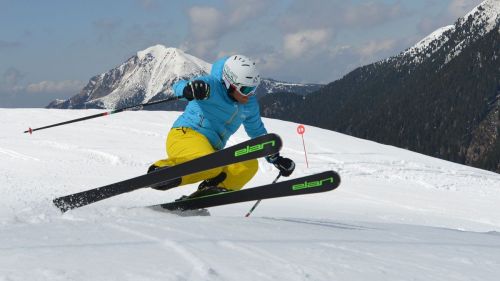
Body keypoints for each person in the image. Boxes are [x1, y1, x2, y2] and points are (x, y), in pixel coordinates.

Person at [148, 55, 295, 199]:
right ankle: (161, 171)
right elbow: (178, 85)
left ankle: (209, 192)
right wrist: (189, 90)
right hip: (186, 135)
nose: (249, 95)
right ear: (229, 83)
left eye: (253, 89)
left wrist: (276, 158)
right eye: (245, 90)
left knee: (248, 165)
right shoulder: (210, 85)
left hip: (213, 152)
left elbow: (257, 133)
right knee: (210, 164)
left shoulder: (249, 105)